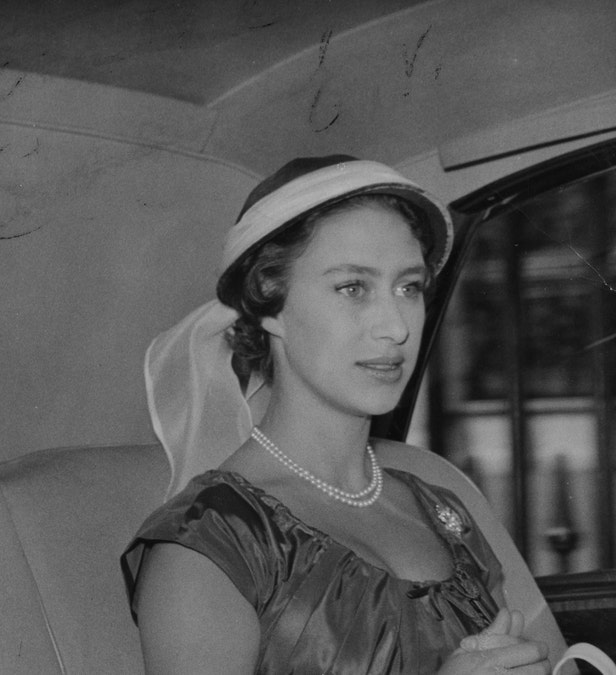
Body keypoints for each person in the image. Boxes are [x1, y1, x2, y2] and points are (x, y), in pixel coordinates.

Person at [122, 156, 565, 674]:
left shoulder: (444, 505)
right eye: (353, 288)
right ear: (269, 303)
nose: (396, 326)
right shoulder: (207, 545)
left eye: (409, 287)